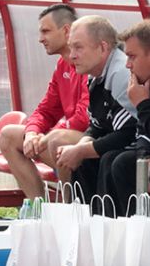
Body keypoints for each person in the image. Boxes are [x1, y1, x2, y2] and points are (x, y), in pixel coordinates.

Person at [0, 4, 89, 200]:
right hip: (66, 138)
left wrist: (48, 136)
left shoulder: (90, 62)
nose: (40, 39)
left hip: (90, 141)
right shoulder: (62, 65)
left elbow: (85, 117)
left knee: (58, 139)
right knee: (8, 136)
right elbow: (45, 110)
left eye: (46, 31)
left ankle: (69, 208)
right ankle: (40, 208)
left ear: (66, 31)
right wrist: (32, 133)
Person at [56, 16, 138, 202]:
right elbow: (98, 125)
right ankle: (85, 216)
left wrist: (82, 151)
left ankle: (108, 218)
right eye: (71, 48)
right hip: (124, 143)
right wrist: (80, 146)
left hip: (146, 150)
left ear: (103, 47)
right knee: (83, 159)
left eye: (78, 47)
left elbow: (131, 132)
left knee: (110, 160)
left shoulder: (121, 73)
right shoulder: (95, 74)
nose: (72, 55)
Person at [106, 20, 150, 225]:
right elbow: (143, 131)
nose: (127, 64)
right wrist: (146, 156)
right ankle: (140, 234)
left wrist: (142, 104)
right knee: (123, 163)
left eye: (132, 56)